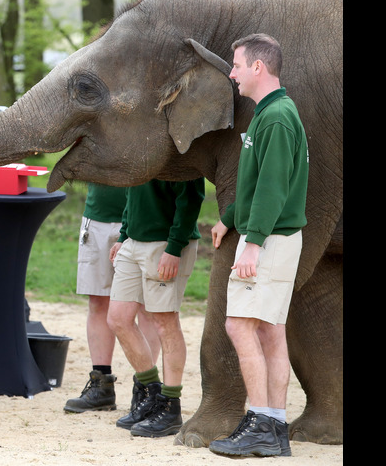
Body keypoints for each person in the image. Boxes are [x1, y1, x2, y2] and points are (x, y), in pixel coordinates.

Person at [208, 34, 308, 458]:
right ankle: (274, 426)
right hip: (272, 236)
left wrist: (251, 242)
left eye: (236, 65)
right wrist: (230, 218)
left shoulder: (278, 117)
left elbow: (272, 187)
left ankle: (264, 421)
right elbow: (257, 180)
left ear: (258, 68)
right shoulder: (269, 113)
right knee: (268, 328)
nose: (231, 73)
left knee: (240, 325)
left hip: (269, 239)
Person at [106, 178, 204, 438]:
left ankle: (170, 406)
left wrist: (174, 248)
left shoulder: (179, 151)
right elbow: (133, 191)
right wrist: (124, 235)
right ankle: (151, 393)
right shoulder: (139, 143)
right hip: (133, 241)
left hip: (166, 244)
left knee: (165, 321)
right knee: (118, 318)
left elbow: (192, 197)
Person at [64, 183, 161, 414]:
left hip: (144, 215)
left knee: (146, 307)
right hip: (98, 214)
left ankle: (147, 387)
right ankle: (101, 385)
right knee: (98, 301)